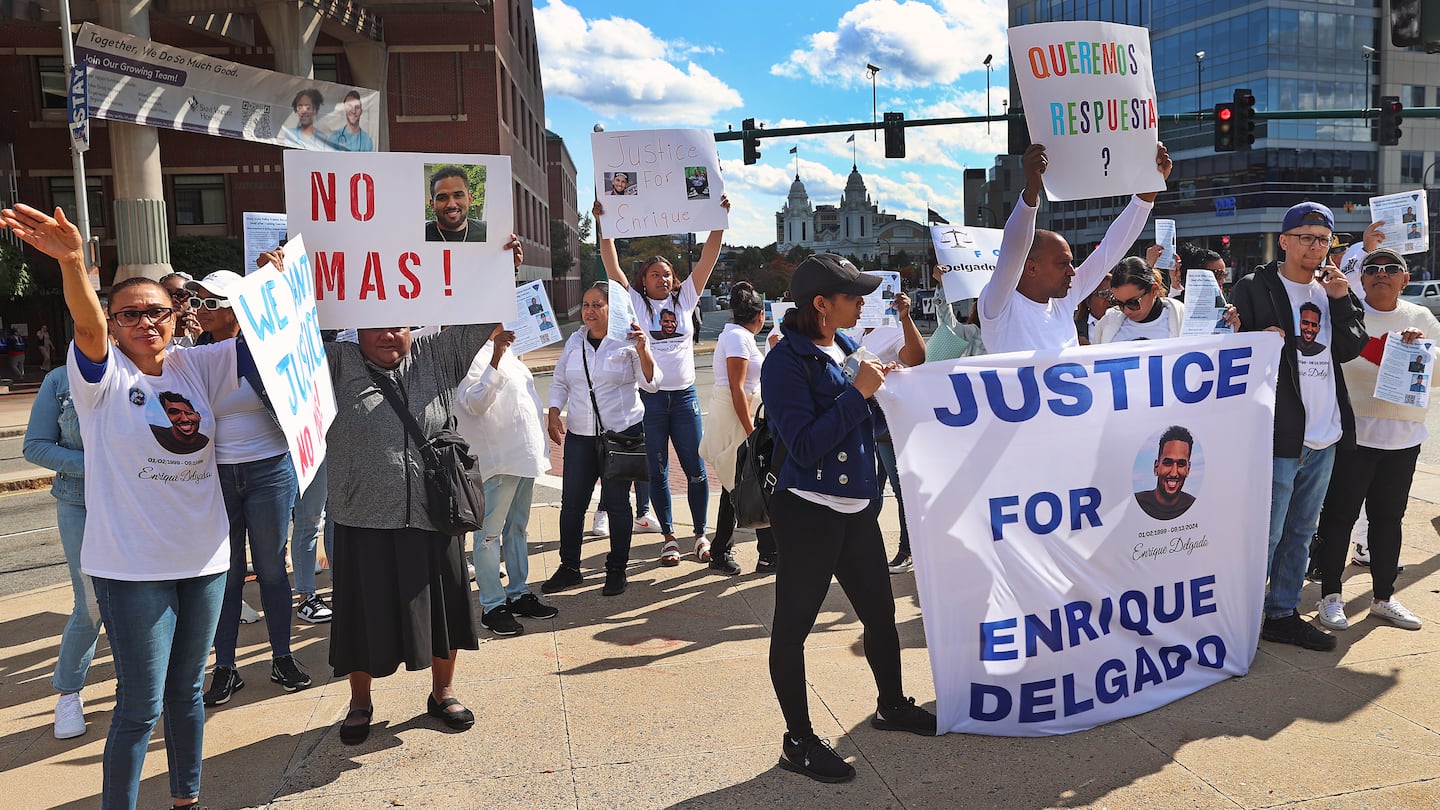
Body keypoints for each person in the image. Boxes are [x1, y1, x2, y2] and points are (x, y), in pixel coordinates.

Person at [2, 202, 244, 809]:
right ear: (113, 322)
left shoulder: (197, 367)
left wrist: (276, 279)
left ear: (176, 317)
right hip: (132, 570)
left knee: (188, 691)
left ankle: (186, 798)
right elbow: (84, 324)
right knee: (141, 704)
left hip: (206, 561)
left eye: (157, 313)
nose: (145, 323)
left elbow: (259, 337)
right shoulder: (98, 377)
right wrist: (74, 265)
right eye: (130, 314)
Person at [255, 235, 524, 747]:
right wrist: (274, 287)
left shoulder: (435, 355)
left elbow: (479, 321)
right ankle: (360, 702)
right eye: (376, 325)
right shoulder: (333, 361)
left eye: (398, 324)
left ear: (411, 326)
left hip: (433, 514)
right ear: (357, 328)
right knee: (361, 618)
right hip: (361, 517)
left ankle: (442, 693)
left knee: (446, 610)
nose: (388, 335)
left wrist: (499, 268)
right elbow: (277, 368)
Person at [761, 253, 936, 784]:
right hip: (808, 511)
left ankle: (890, 704)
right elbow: (805, 445)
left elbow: (910, 362)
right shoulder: (784, 361)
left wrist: (882, 383)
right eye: (853, 295)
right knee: (793, 629)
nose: (863, 302)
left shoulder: (842, 345)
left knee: (880, 615)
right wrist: (860, 393)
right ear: (821, 304)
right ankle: (799, 740)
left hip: (856, 508)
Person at [1232, 201, 1367, 652]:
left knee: (1302, 531)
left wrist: (1342, 300)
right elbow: (1228, 348)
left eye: (1323, 238)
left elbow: (1350, 349)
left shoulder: (1333, 290)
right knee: (1266, 532)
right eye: (1305, 236)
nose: (1315, 245)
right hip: (1278, 432)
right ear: (1284, 241)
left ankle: (1283, 612)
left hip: (1325, 432)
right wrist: (1246, 337)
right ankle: (1242, 614)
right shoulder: (1255, 286)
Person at [185, 271, 311, 708]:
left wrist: (272, 276)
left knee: (272, 568)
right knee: (228, 572)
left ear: (237, 309)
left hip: (270, 469)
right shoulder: (191, 358)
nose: (199, 310)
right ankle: (225, 667)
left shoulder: (265, 348)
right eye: (197, 302)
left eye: (209, 302)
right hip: (216, 473)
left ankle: (282, 657)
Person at [596, 196, 729, 566]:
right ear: (643, 280)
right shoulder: (635, 303)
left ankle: (700, 534)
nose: (663, 278)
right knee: (656, 470)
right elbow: (612, 266)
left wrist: (718, 219)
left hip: (685, 398)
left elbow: (707, 259)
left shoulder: (686, 298)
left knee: (696, 468)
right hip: (650, 400)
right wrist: (604, 226)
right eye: (655, 274)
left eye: (667, 273)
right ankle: (669, 536)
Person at [1312, 248, 1437, 632]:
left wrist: (1418, 351)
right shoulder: (1346, 314)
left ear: (1404, 279)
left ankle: (1384, 597)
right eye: (1372, 269)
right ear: (1360, 279)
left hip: (1402, 438)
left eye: (1391, 269)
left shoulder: (1422, 318)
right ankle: (1331, 596)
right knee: (1339, 519)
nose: (1381, 274)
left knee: (1388, 520)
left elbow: (1434, 377)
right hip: (1353, 436)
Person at [978, 142, 1172, 354]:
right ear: (1031, 268)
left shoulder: (1064, 299)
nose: (1072, 271)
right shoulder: (999, 305)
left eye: (1071, 263)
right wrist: (1032, 189)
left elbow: (1111, 249)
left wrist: (1146, 197)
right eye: (1063, 264)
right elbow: (1013, 249)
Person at [542, 281, 661, 597]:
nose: (589, 311)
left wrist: (643, 349)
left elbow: (651, 384)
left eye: (597, 304)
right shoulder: (575, 342)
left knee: (619, 506)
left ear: (613, 309)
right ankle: (569, 568)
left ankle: (616, 570)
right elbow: (559, 382)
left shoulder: (627, 343)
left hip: (621, 435)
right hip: (580, 436)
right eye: (585, 304)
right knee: (572, 506)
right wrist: (554, 412)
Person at [454, 325, 558, 636]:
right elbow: (474, 402)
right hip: (497, 461)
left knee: (517, 529)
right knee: (489, 535)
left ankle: (518, 592)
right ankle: (492, 604)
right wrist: (496, 358)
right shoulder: (468, 353)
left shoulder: (509, 349)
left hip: (522, 458)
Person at [24, 365, 102, 740]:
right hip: (79, 502)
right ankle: (69, 693)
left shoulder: (145, 371)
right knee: (90, 605)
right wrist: (96, 467)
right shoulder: (60, 380)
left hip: (142, 502)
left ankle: (146, 689)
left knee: (147, 599)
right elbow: (35, 444)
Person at [697, 282, 775, 575]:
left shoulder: (737, 336)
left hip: (736, 414)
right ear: (759, 315)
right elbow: (736, 387)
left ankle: (741, 551)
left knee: (740, 482)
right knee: (744, 482)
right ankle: (759, 553)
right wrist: (750, 428)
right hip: (735, 417)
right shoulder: (739, 339)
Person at [859, 291, 926, 575]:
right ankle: (861, 549)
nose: (860, 302)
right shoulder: (858, 328)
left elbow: (917, 358)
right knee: (869, 491)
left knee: (901, 490)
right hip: (864, 421)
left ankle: (908, 549)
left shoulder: (892, 328)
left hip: (888, 423)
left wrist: (906, 317)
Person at [1134, 426, 1198, 520]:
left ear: (1188, 469)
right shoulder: (1137, 503)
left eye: (1181, 464)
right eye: (1167, 463)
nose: (1173, 473)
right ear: (1156, 467)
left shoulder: (1195, 507)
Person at [424, 165, 487, 242]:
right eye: (442, 198)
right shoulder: (418, 235)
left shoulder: (489, 232)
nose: (451, 204)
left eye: (458, 195)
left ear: (470, 199)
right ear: (432, 205)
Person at [160, 272, 201, 347]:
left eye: (181, 294)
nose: (174, 300)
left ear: (192, 298)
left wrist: (202, 339)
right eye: (167, 294)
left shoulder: (205, 332)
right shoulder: (152, 333)